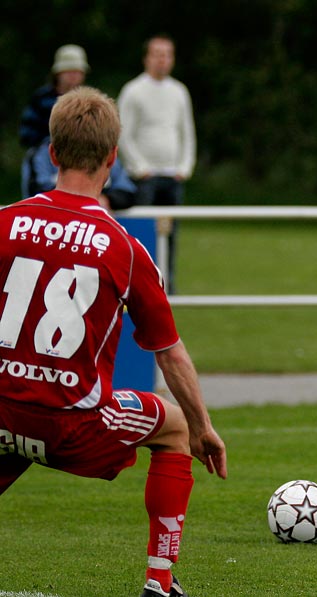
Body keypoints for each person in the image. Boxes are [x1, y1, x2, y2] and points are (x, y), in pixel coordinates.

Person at [0, 87, 226, 597]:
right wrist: (203, 427)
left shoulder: (5, 222)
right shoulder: (126, 249)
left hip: (3, 413)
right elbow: (168, 351)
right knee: (172, 428)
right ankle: (160, 582)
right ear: (113, 158)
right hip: (72, 426)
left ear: (52, 153)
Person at [117, 34, 196, 294]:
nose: (163, 60)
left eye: (167, 54)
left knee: (170, 234)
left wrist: (184, 167)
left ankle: (167, 287)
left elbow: (186, 132)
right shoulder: (133, 91)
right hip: (145, 177)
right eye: (157, 54)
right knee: (142, 235)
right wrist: (141, 168)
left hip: (172, 176)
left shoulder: (179, 91)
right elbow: (123, 133)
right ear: (147, 58)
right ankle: (140, 286)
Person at [19, 44, 89, 196]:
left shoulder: (89, 100)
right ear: (58, 73)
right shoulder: (41, 99)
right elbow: (26, 135)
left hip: (81, 156)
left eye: (77, 71)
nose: (73, 76)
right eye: (68, 71)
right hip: (45, 158)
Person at [22, 137, 137, 211]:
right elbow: (36, 189)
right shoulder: (40, 154)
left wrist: (106, 199)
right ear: (54, 154)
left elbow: (128, 193)